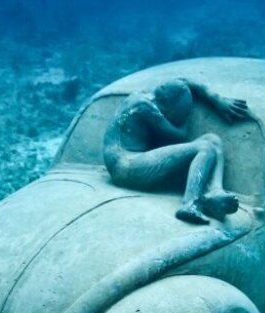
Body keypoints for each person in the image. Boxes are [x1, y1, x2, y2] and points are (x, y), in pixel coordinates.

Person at [103, 78, 252, 224]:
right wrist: (186, 116)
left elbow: (184, 81)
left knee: (212, 139)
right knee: (205, 148)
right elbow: (179, 134)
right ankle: (190, 203)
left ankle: (215, 190)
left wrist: (217, 100)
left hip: (131, 160)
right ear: (167, 107)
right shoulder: (146, 107)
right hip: (124, 166)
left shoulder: (150, 94)